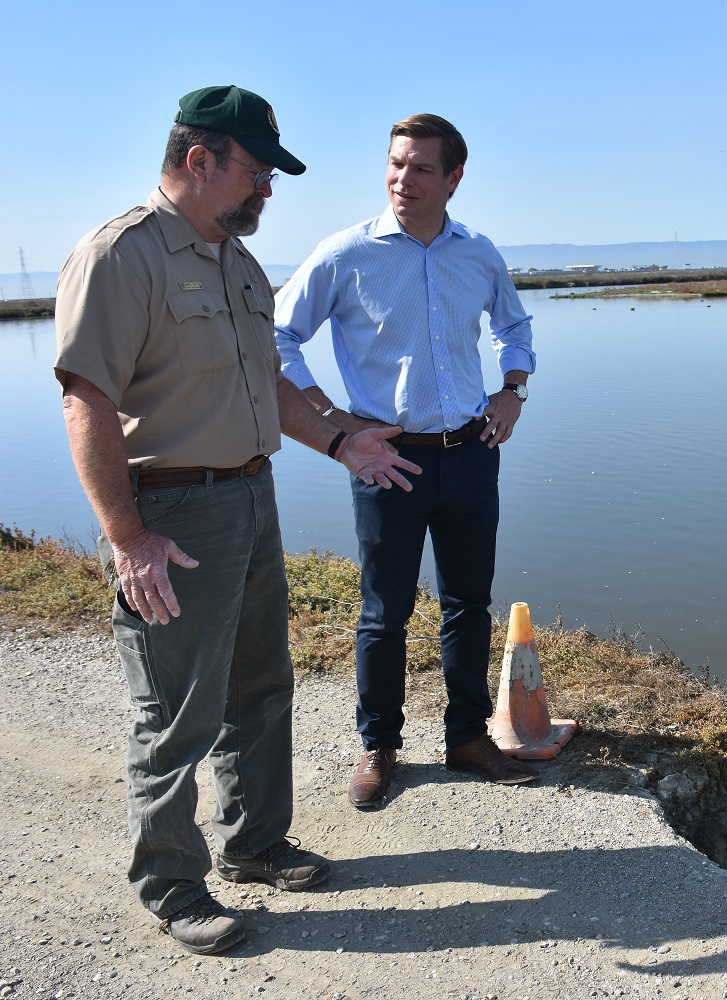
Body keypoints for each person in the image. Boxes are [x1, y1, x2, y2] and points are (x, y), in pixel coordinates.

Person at [54, 85, 421, 955]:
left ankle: (255, 844)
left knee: (261, 685)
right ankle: (175, 886)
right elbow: (87, 401)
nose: (267, 191)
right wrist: (128, 537)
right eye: (256, 173)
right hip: (172, 513)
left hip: (251, 497)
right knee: (176, 708)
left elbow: (273, 386)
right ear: (200, 160)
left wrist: (341, 443)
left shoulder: (237, 263)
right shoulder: (121, 257)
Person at [274, 113, 538, 810]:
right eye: (396, 164)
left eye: (422, 167)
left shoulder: (477, 253)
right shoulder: (345, 253)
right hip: (388, 461)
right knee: (383, 613)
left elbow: (514, 326)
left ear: (453, 178)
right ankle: (378, 746)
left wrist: (511, 392)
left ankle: (468, 738)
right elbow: (276, 334)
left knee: (468, 605)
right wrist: (330, 418)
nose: (403, 179)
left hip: (472, 453)